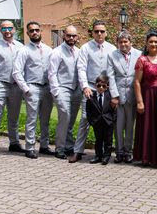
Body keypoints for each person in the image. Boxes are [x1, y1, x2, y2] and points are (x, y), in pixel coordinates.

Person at [71, 20, 115, 163]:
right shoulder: (86, 48)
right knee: (85, 119)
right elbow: (81, 68)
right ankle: (78, 151)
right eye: (97, 31)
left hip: (106, 89)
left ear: (106, 33)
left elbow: (113, 71)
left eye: (102, 31)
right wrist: (84, 87)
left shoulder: (112, 49)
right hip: (90, 88)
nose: (99, 34)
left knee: (107, 121)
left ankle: (108, 153)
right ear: (92, 32)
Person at [12, 21, 54, 159]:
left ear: (41, 31)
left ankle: (44, 146)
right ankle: (30, 147)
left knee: (45, 119)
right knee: (31, 119)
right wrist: (26, 89)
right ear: (27, 33)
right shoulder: (24, 50)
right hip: (33, 87)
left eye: (37, 30)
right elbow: (16, 72)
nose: (35, 32)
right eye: (31, 31)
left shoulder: (49, 50)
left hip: (47, 88)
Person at [0, 20, 25, 157]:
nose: (7, 31)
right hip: (0, 85)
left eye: (10, 28)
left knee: (14, 117)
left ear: (14, 29)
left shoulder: (20, 46)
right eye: (4, 28)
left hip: (15, 86)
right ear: (0, 30)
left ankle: (14, 143)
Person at [134, 31, 157, 167]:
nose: (153, 44)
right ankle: (146, 157)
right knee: (147, 126)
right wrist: (139, 101)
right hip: (147, 96)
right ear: (147, 44)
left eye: (156, 42)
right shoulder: (142, 60)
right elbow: (136, 82)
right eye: (151, 42)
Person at [107, 30, 142, 163]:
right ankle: (119, 152)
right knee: (118, 125)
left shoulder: (139, 54)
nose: (123, 44)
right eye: (120, 42)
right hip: (118, 94)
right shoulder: (112, 55)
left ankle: (128, 151)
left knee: (129, 125)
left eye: (125, 41)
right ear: (117, 43)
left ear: (130, 42)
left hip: (133, 94)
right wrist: (114, 95)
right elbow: (110, 76)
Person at [48, 26, 81, 160]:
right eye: (69, 35)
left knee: (71, 119)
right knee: (65, 116)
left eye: (74, 36)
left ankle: (69, 146)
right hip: (62, 88)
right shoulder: (57, 52)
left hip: (76, 89)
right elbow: (52, 73)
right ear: (64, 36)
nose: (71, 38)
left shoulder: (79, 51)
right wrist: (56, 91)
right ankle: (60, 148)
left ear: (77, 37)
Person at [86, 74, 115, 165]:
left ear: (107, 86)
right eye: (99, 86)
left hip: (108, 122)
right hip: (97, 122)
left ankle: (106, 157)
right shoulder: (91, 97)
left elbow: (114, 110)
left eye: (103, 86)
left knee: (108, 140)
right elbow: (88, 111)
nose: (101, 88)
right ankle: (98, 156)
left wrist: (112, 121)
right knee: (98, 140)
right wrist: (91, 121)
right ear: (95, 85)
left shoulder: (110, 97)